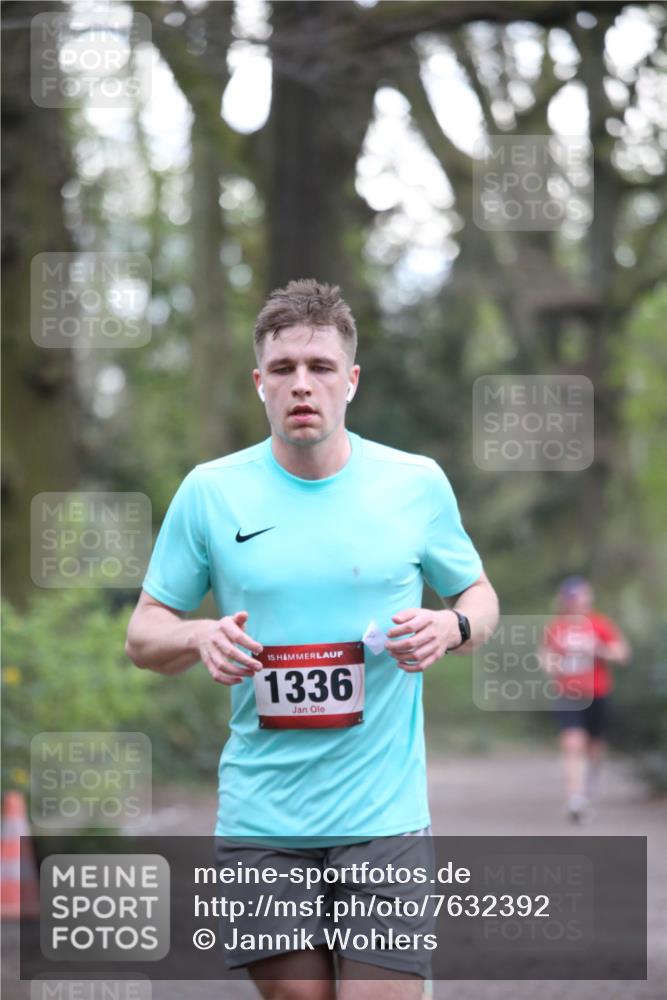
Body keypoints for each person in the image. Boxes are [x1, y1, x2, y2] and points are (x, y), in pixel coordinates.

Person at [125, 279, 499, 1000]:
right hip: (263, 817)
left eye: (321, 367)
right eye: (285, 368)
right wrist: (199, 634)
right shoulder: (210, 491)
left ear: (350, 381)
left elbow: (478, 598)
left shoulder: (415, 483)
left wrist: (451, 627)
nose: (303, 384)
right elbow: (144, 633)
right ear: (259, 381)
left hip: (383, 816)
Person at [540, 576, 631, 823]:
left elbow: (622, 654)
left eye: (582, 595)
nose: (578, 600)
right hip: (568, 695)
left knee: (595, 749)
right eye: (573, 596)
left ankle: (587, 790)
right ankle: (575, 800)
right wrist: (551, 664)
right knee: (572, 743)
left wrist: (597, 648)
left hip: (598, 694)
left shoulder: (600, 624)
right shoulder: (556, 627)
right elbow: (545, 656)